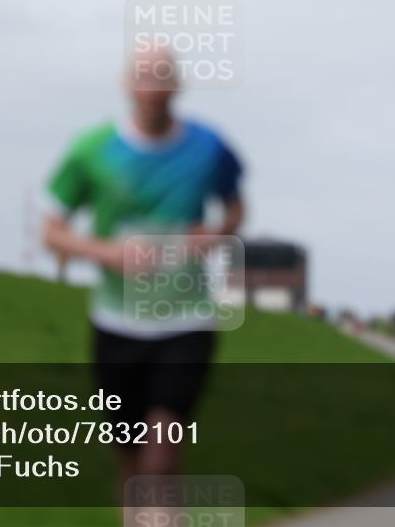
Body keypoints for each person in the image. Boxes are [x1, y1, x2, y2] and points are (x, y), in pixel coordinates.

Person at [42, 47, 245, 498]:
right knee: (131, 462)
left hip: (186, 320)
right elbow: (52, 232)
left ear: (177, 86)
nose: (152, 89)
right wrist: (106, 253)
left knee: (161, 452)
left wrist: (215, 234)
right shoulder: (92, 149)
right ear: (127, 84)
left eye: (162, 78)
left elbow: (235, 209)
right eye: (143, 78)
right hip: (116, 322)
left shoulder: (209, 146)